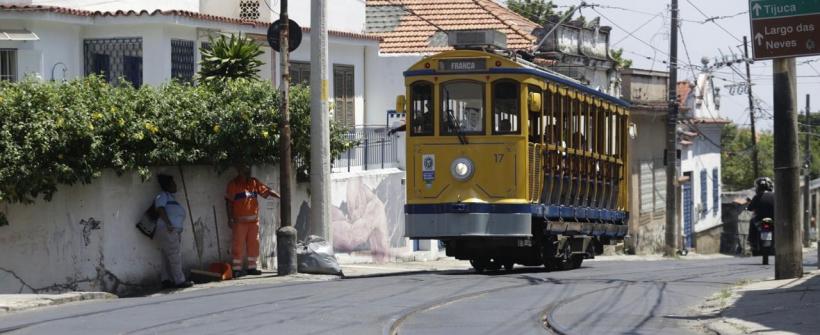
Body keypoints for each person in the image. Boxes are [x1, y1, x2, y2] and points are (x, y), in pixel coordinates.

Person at [225, 165, 279, 277]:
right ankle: (237, 269)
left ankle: (252, 267)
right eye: (246, 171)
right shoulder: (233, 184)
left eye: (249, 171)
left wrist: (279, 196)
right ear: (239, 171)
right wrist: (229, 218)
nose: (248, 173)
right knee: (238, 245)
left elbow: (266, 191)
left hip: (253, 223)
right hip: (239, 222)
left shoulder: (254, 183)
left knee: (254, 244)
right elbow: (229, 203)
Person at [155, 174, 193, 289]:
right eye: (173, 183)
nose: (175, 185)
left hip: (170, 230)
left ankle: (166, 280)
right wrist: (168, 223)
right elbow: (159, 208)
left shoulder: (170, 197)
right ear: (168, 185)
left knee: (166, 256)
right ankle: (179, 281)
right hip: (168, 229)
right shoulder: (162, 195)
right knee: (174, 255)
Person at [747, 177, 775, 256]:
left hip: (760, 221)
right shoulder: (775, 196)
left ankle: (752, 242)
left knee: (752, 220)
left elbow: (750, 208)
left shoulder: (757, 196)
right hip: (774, 220)